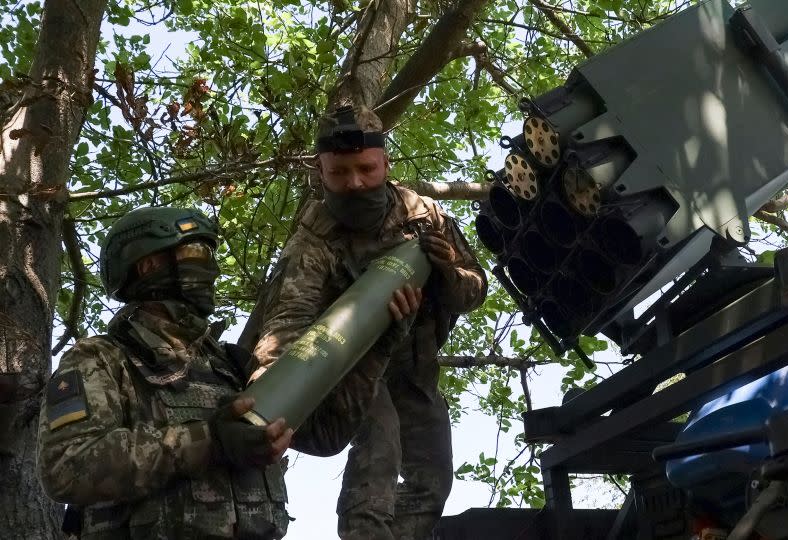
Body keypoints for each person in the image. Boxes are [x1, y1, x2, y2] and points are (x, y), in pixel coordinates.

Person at [37, 206, 396, 539]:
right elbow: (67, 467)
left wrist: (377, 344)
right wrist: (208, 440)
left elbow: (323, 435)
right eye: (198, 255)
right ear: (148, 266)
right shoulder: (101, 359)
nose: (213, 270)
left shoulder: (230, 365)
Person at [249, 105, 488, 539]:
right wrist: (271, 399)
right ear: (320, 171)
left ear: (385, 164)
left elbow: (475, 289)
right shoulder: (314, 239)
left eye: (365, 169)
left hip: (415, 367)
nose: (354, 183)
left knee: (433, 478)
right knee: (379, 452)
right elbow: (286, 323)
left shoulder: (423, 215)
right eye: (339, 172)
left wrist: (448, 271)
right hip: (357, 370)